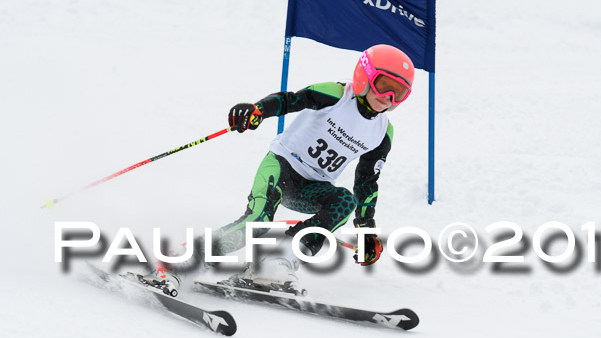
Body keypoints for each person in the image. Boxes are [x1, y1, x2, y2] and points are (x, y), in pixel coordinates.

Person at [141, 44, 415, 295]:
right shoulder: (335, 94)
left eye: (399, 93)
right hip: (282, 167)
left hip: (312, 187)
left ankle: (272, 265)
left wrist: (366, 230)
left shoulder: (383, 132)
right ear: (363, 76)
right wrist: (258, 110)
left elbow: (367, 182)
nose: (389, 98)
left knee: (344, 201)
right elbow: (290, 100)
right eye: (384, 86)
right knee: (258, 222)